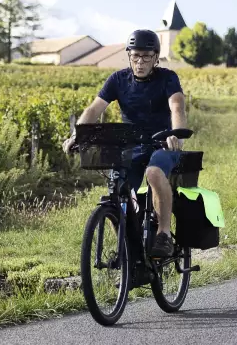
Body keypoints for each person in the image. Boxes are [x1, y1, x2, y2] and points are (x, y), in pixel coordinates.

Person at [63, 28, 187, 259]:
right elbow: (94, 109)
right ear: (129, 55)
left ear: (156, 57)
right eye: (135, 55)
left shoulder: (167, 78)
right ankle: (127, 251)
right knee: (117, 189)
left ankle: (163, 234)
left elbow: (177, 106)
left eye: (146, 56)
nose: (140, 62)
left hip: (164, 144)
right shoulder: (118, 79)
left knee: (153, 172)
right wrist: (77, 135)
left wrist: (177, 135)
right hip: (131, 147)